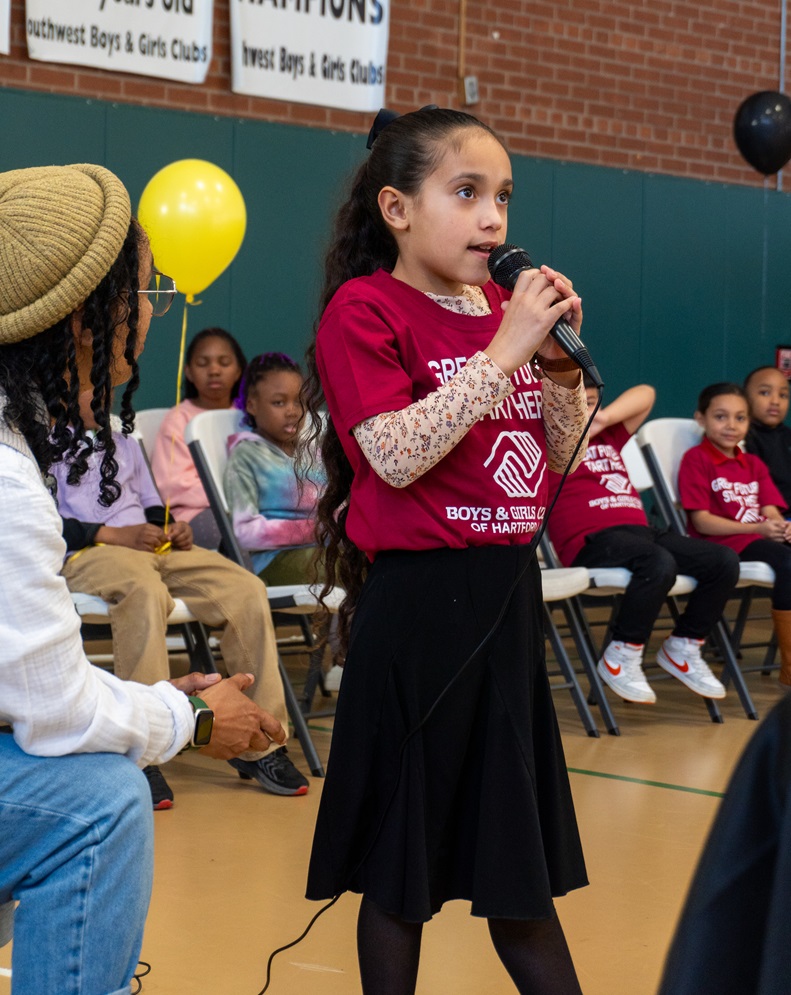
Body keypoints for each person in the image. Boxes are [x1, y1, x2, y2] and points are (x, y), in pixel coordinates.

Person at [301, 106, 590, 995]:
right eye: (465, 193)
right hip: (420, 616)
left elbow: (559, 461)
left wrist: (562, 375)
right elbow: (389, 453)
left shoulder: (505, 316)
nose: (492, 219)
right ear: (396, 208)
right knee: (402, 872)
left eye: (501, 196)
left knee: (520, 877)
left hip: (505, 605)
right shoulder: (366, 310)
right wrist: (504, 353)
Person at [0, 163, 285, 994]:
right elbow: (53, 714)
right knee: (100, 801)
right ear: (84, 320)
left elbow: (23, 675)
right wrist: (188, 714)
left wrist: (158, 703)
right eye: (147, 288)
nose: (155, 308)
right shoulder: (11, 482)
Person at [53, 388, 310, 806]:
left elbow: (153, 506)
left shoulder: (123, 443)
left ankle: (259, 742)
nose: (101, 396)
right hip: (91, 553)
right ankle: (143, 752)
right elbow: (48, 524)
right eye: (89, 386)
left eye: (105, 388)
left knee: (245, 588)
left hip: (151, 548)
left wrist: (172, 528)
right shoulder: (40, 446)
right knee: (143, 590)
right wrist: (111, 534)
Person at [547, 380, 738, 703]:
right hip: (589, 541)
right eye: (576, 403)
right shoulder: (549, 441)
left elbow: (647, 393)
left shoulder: (608, 434)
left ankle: (684, 645)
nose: (585, 410)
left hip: (641, 533)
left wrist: (602, 419)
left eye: (591, 402)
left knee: (723, 561)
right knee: (658, 562)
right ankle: (622, 654)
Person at [678, 382, 791, 685]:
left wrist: (781, 526)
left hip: (759, 537)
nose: (731, 425)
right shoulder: (696, 459)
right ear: (700, 419)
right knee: (787, 564)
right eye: (721, 417)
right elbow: (702, 522)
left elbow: (770, 508)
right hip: (725, 545)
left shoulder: (752, 463)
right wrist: (758, 528)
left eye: (740, 418)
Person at [225, 351, 326, 586]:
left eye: (299, 401)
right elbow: (245, 532)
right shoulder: (246, 455)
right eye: (279, 402)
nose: (292, 411)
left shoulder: (314, 451)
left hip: (325, 549)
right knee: (345, 568)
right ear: (251, 405)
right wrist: (315, 529)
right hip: (273, 561)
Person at [150, 327, 246, 548]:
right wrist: (234, 496)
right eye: (203, 364)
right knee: (233, 533)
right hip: (193, 515)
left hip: (247, 507)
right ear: (189, 372)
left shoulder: (246, 417)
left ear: (239, 370)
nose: (214, 370)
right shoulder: (178, 419)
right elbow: (171, 485)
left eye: (224, 363)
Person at [744, 364, 791, 510]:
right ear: (744, 398)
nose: (775, 402)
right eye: (765, 393)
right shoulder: (742, 438)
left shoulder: (787, 435)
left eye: (783, 395)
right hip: (772, 519)